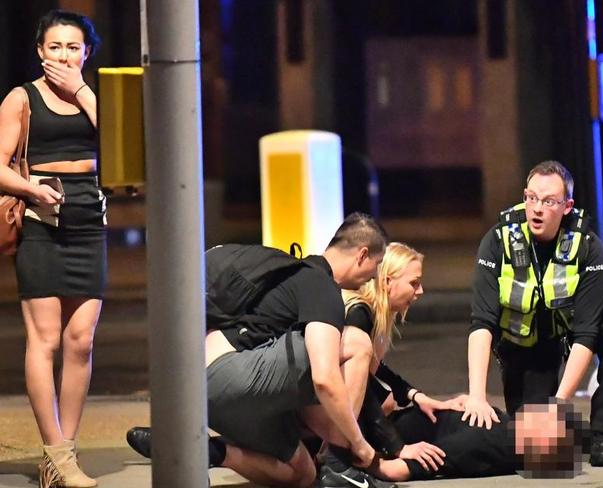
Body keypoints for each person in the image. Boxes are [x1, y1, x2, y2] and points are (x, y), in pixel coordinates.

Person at [128, 213, 391, 488]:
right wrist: (360, 446)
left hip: (206, 394)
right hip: (224, 374)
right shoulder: (321, 286)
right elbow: (324, 379)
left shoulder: (291, 277)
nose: (374, 276)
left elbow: (314, 400)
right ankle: (340, 469)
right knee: (356, 342)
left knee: (303, 474)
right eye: (377, 264)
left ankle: (208, 451)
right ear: (362, 255)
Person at [342, 242, 588, 481]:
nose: (420, 291)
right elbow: (357, 390)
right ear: (387, 282)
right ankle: (407, 468)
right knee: (491, 437)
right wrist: (396, 449)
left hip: (381, 424)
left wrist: (418, 396)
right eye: (414, 283)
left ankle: (560, 438)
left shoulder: (375, 317)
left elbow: (376, 371)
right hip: (364, 431)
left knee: (470, 418)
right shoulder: (358, 315)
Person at [463, 161, 603, 467]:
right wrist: (476, 396)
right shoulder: (498, 241)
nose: (537, 208)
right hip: (527, 345)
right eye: (531, 197)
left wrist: (559, 404)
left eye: (548, 201)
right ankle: (571, 433)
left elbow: (587, 332)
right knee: (535, 449)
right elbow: (482, 323)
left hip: (571, 332)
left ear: (567, 206)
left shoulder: (586, 245)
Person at [0, 9, 104, 488]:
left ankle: (64, 453)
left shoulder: (95, 98)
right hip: (42, 219)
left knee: (80, 340)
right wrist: (30, 190)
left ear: (86, 52)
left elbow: (130, 144)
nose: (63, 55)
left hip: (89, 218)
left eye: (73, 47)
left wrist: (83, 91)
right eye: (55, 46)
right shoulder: (22, 98)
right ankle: (58, 457)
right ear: (40, 51)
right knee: (44, 339)